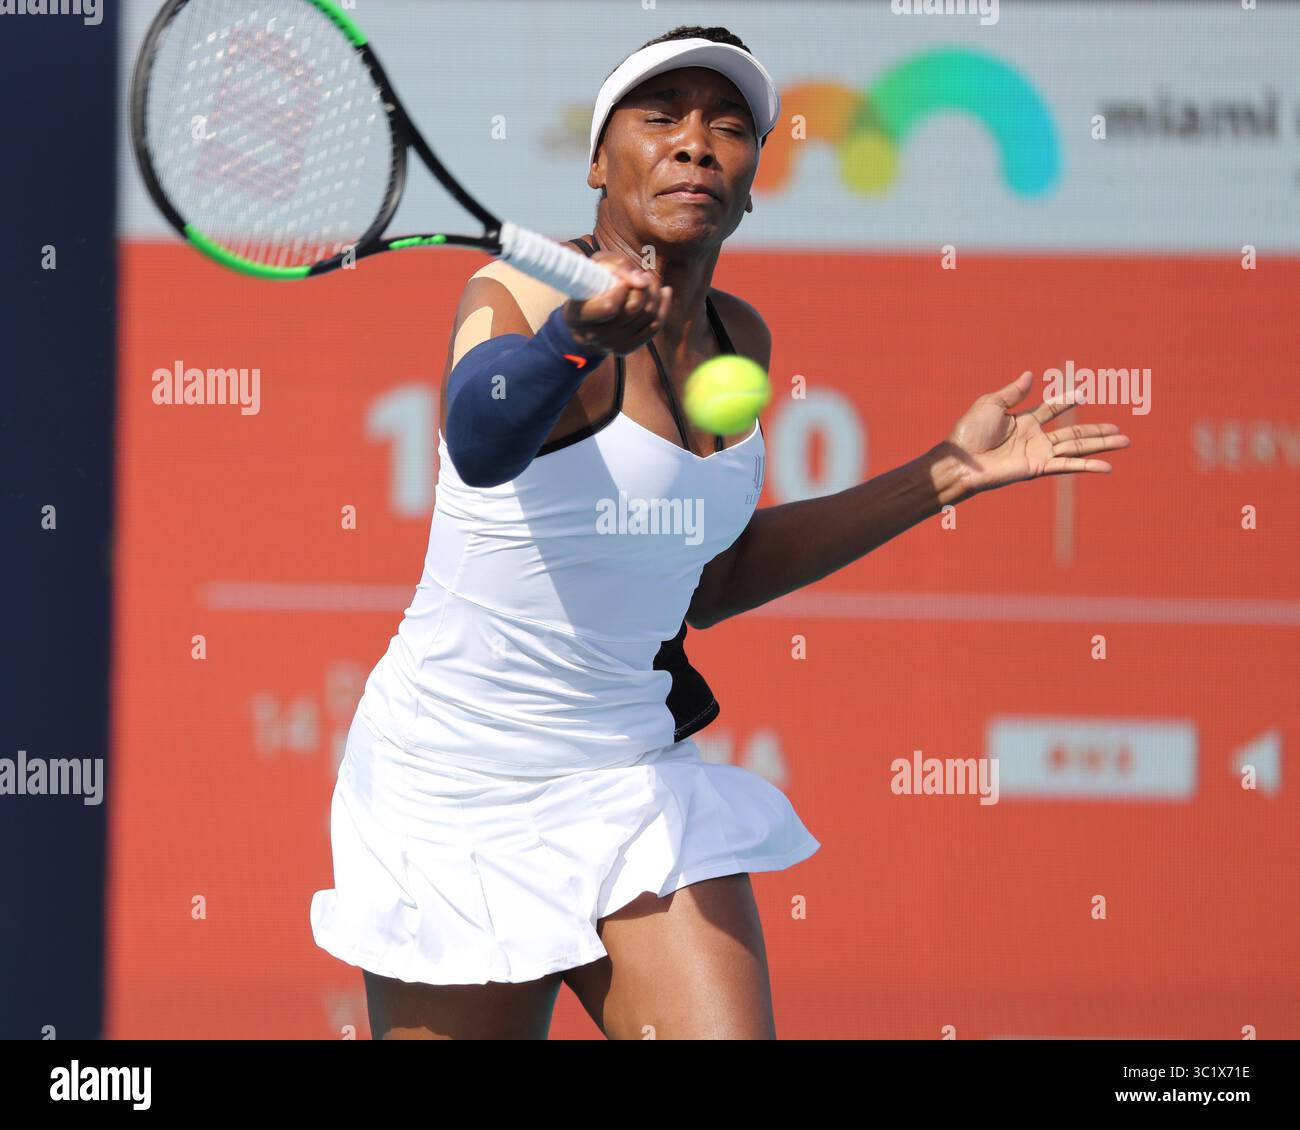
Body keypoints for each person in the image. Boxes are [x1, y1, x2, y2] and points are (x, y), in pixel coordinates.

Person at [310, 24, 1130, 1040]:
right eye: (662, 118)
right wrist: (572, 342)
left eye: (729, 128)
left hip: (628, 779)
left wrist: (946, 472)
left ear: (748, 186)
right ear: (597, 164)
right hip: (452, 788)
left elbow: (712, 578)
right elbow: (480, 437)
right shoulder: (518, 293)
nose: (696, 143)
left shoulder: (741, 337)